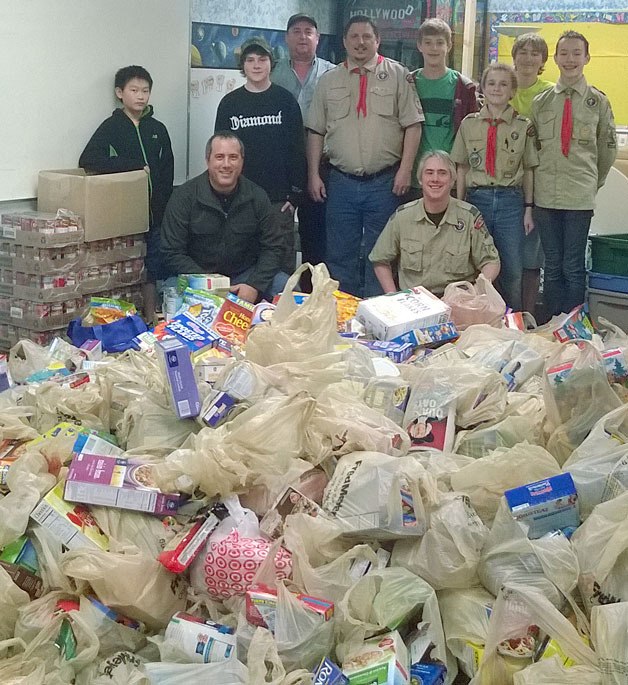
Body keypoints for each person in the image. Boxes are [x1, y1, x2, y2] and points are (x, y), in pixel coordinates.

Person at [306, 15, 424, 298]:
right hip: (341, 182)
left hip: (384, 182)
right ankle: (343, 313)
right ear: (345, 41)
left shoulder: (398, 75)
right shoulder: (329, 80)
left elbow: (413, 125)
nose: (361, 42)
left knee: (381, 254)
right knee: (339, 254)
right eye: (354, 37)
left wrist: (405, 170)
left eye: (367, 37)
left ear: (377, 40)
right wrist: (313, 174)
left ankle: (375, 313)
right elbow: (315, 131)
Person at [531, 30, 616, 318]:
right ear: (555, 58)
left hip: (579, 196)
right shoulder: (541, 102)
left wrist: (592, 183)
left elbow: (607, 150)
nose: (570, 59)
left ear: (587, 58)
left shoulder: (598, 102)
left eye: (576, 53)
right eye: (564, 53)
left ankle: (574, 325)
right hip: (546, 195)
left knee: (573, 265)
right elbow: (532, 149)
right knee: (552, 265)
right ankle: (554, 326)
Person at [79, 65, 174, 324]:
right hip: (124, 213)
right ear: (120, 93)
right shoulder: (112, 127)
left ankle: (151, 315)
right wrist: (129, 165)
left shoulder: (158, 128)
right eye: (134, 90)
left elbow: (167, 170)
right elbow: (88, 160)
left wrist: (163, 205)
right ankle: (122, 318)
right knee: (126, 263)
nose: (140, 96)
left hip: (156, 212)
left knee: (153, 265)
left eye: (145, 91)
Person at [215, 37, 306, 276]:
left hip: (278, 201)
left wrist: (296, 195)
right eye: (250, 60)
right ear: (242, 65)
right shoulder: (229, 104)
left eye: (262, 59)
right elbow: (219, 152)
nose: (256, 65)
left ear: (271, 63)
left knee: (279, 269)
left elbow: (298, 148)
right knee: (241, 264)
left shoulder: (285, 101)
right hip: (239, 200)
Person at [160, 132, 287, 304]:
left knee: (287, 288)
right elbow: (172, 251)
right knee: (169, 291)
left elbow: (274, 247)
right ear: (208, 160)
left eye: (233, 157)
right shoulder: (184, 197)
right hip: (199, 277)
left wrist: (254, 285)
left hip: (246, 276)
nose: (226, 164)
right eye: (219, 157)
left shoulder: (257, 196)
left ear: (242, 161)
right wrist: (210, 284)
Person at [451, 63, 538, 312]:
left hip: (511, 201)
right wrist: (460, 205)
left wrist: (528, 208)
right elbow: (462, 167)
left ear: (512, 90)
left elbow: (530, 169)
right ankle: (479, 318)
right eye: (491, 83)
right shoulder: (469, 124)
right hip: (477, 199)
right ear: (482, 88)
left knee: (512, 268)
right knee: (476, 266)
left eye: (503, 84)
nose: (497, 89)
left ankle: (513, 321)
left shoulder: (523, 126)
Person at [369, 150, 500, 296]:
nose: (435, 179)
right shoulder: (403, 217)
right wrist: (393, 296)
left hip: (457, 303)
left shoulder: (469, 216)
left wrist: (474, 292)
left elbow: (491, 262)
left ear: (452, 180)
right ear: (420, 179)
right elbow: (379, 259)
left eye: (442, 173)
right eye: (429, 173)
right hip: (414, 302)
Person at [272, 13, 335, 290]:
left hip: (321, 164)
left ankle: (313, 292)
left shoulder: (332, 73)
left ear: (317, 38)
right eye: (296, 31)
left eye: (308, 32)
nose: (302, 37)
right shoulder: (273, 72)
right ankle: (280, 292)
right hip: (282, 166)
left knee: (315, 234)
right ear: (287, 38)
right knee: (277, 233)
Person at [406, 17, 479, 197]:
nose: (434, 48)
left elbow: (473, 135)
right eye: (428, 43)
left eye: (440, 42)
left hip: (451, 177)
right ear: (419, 46)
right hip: (416, 177)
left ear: (449, 45)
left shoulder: (464, 86)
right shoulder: (408, 83)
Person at [511, 33, 555, 318]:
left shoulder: (549, 92)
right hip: (502, 183)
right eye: (523, 52)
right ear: (513, 56)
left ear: (542, 60)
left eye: (534, 53)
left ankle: (526, 315)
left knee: (530, 257)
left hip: (536, 184)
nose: (528, 58)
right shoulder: (501, 84)